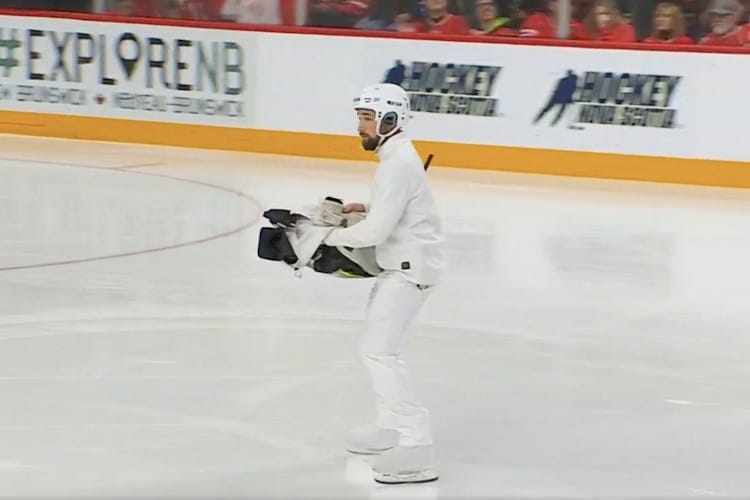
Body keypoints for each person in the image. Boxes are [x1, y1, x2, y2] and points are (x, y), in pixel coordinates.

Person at [322, 83, 445, 484]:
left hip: (409, 270)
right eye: (360, 117)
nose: (359, 127)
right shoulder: (395, 157)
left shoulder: (398, 163)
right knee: (377, 348)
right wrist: (368, 207)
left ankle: (416, 444)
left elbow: (374, 233)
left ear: (390, 120)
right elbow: (392, 211)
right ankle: (390, 427)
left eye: (366, 118)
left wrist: (324, 237)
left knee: (379, 352)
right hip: (401, 265)